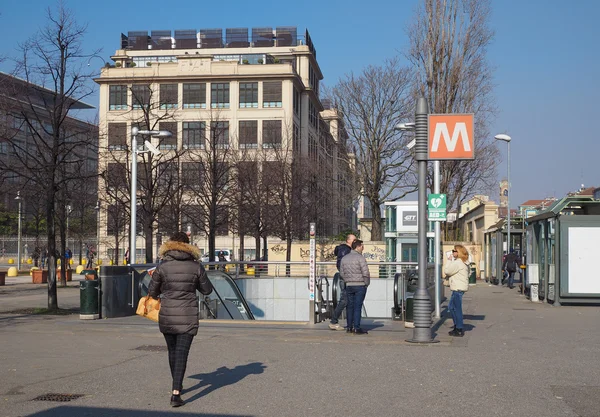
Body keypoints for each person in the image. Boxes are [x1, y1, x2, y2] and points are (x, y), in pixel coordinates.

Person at [148, 231, 213, 407]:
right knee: (182, 353)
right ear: (189, 246)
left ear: (169, 245)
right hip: (188, 316)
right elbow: (207, 290)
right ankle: (176, 393)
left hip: (168, 315)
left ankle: (177, 384)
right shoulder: (196, 266)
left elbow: (152, 292)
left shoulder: (162, 266)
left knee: (172, 351)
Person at [340, 239, 370, 335]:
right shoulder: (360, 258)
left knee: (350, 307)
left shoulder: (344, 258)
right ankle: (356, 327)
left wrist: (347, 281)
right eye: (362, 246)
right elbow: (365, 272)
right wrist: (366, 283)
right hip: (360, 285)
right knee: (357, 307)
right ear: (357, 247)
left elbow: (342, 272)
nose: (363, 248)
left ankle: (349, 327)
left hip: (349, 285)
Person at [329, 234, 355, 330]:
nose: (355, 242)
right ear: (348, 241)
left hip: (345, 277)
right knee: (344, 300)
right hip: (345, 278)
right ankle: (334, 321)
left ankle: (348, 322)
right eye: (354, 240)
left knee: (346, 300)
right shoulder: (345, 250)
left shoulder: (345, 250)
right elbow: (342, 265)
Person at [444, 245, 470, 337]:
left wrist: (449, 260)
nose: (452, 252)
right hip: (458, 287)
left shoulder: (458, 262)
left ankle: (459, 328)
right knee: (451, 307)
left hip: (457, 288)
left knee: (456, 308)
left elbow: (447, 271)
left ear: (458, 252)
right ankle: (457, 326)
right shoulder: (463, 262)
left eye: (454, 251)